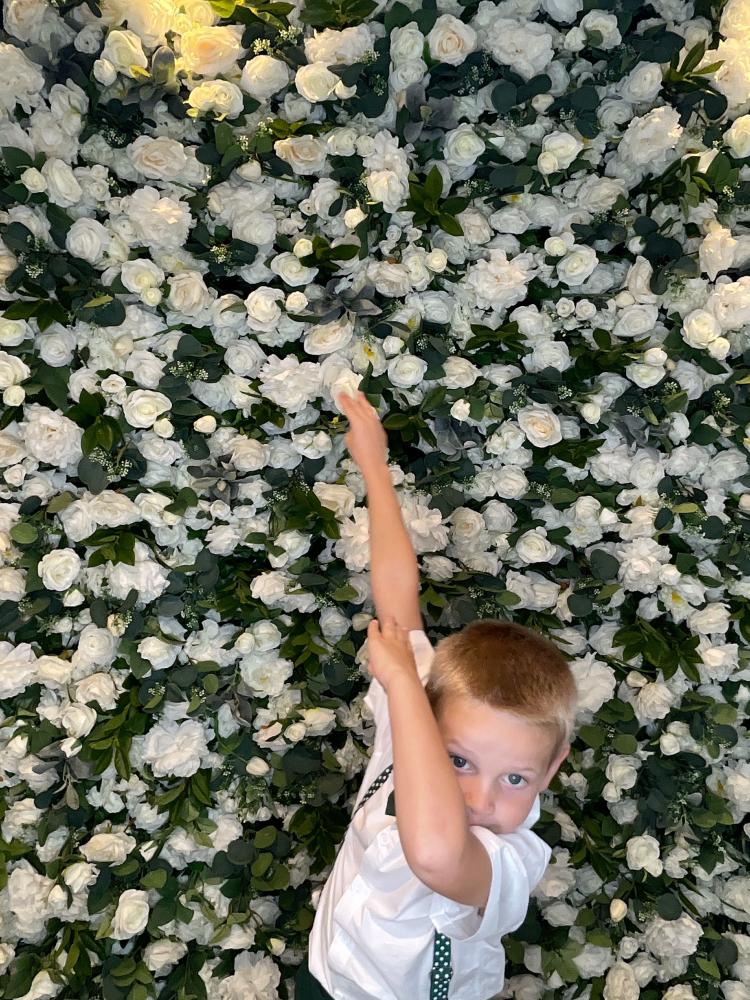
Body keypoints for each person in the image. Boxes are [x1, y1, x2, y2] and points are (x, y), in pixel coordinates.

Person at [294, 389, 579, 1000]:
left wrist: (402, 685)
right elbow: (397, 597)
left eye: (515, 778)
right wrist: (374, 465)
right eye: (459, 761)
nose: (479, 800)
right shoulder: (423, 704)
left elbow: (436, 855)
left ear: (552, 768)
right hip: (327, 966)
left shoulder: (508, 859)